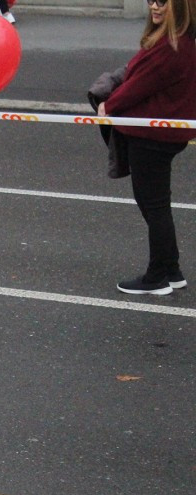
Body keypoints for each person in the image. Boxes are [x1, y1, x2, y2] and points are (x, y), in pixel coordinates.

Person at [99, 0, 196, 295]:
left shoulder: (170, 48)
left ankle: (156, 276)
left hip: (151, 136)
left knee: (153, 207)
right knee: (158, 205)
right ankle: (172, 269)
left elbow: (135, 86)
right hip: (165, 134)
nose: (154, 6)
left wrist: (108, 105)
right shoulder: (183, 42)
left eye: (162, 1)